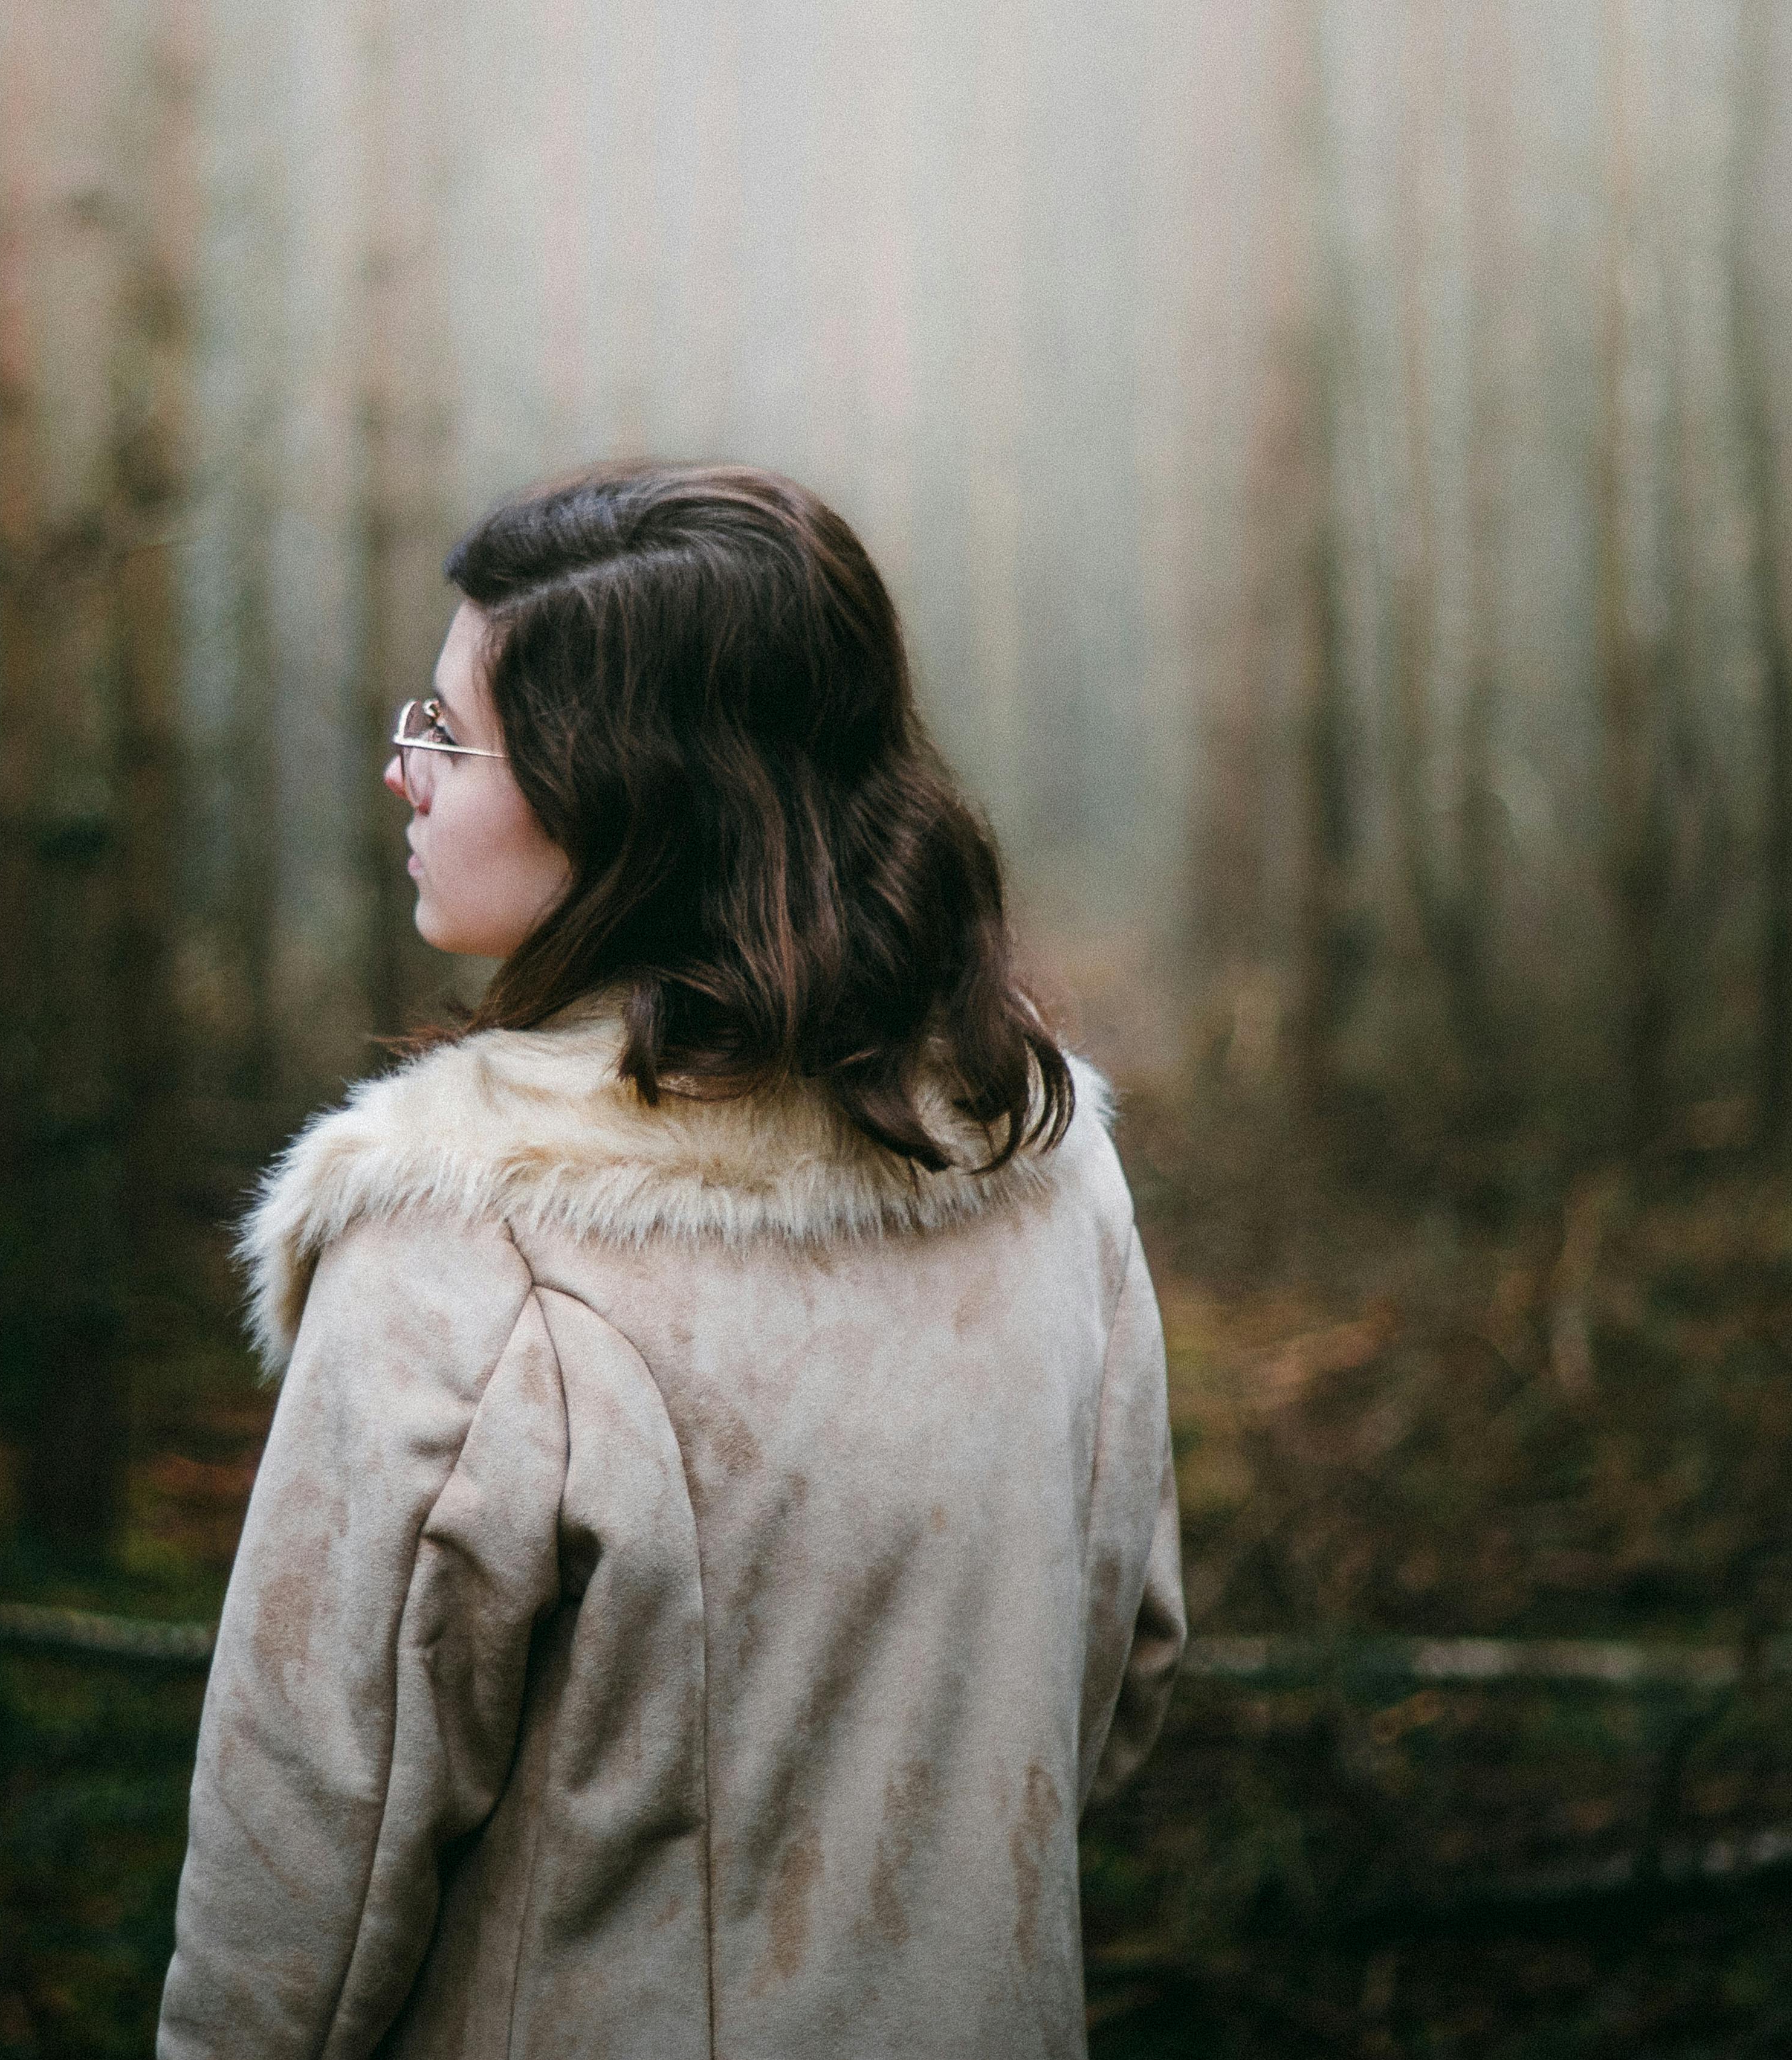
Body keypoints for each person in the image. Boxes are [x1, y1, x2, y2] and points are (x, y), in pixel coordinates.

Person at [157, 463, 1184, 2059]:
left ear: (617, 791)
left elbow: (306, 1872)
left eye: (444, 733)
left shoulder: (461, 1251)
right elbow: (1110, 1674)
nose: (397, 771)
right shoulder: (1041, 1175)